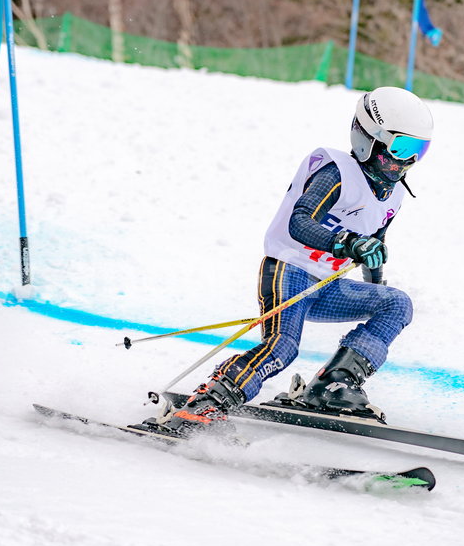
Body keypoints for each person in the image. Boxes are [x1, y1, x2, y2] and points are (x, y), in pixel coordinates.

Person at [159, 86, 434, 433]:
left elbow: (373, 244)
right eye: (401, 147)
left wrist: (375, 278)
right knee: (282, 348)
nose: (406, 160)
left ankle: (335, 384)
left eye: (419, 150)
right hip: (288, 270)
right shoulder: (338, 172)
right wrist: (348, 243)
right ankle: (205, 404)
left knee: (397, 304)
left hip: (326, 286)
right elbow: (299, 222)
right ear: (369, 137)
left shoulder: (392, 195)